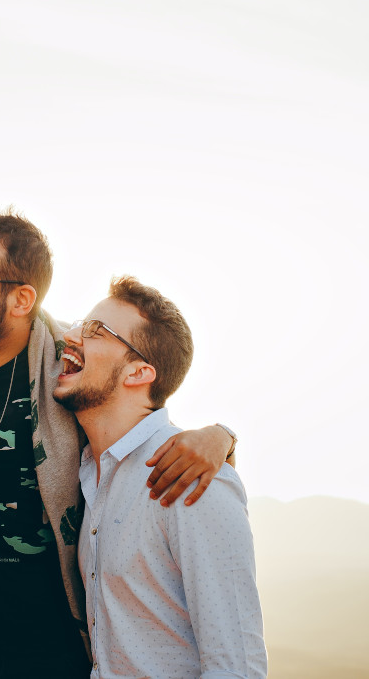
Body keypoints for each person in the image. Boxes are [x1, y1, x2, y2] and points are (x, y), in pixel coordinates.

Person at [0, 209, 238, 678]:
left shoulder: (68, 368)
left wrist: (220, 436)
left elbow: (138, 411)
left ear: (21, 298)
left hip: (61, 660)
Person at [54, 276, 266, 678]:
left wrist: (223, 436)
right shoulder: (90, 474)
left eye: (96, 331)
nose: (70, 335)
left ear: (138, 373)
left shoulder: (193, 477)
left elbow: (236, 666)